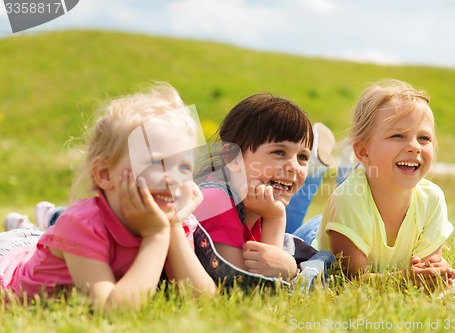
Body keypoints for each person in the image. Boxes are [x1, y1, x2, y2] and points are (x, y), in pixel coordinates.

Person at [1, 83, 216, 308]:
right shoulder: (83, 223)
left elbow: (200, 299)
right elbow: (111, 309)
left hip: (37, 248)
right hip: (9, 267)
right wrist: (156, 235)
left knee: (35, 238)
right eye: (156, 163)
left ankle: (27, 229)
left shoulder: (171, 220)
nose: (173, 179)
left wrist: (171, 228)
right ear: (105, 174)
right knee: (24, 242)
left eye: (183, 167)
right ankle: (23, 231)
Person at [296, 79, 455, 291]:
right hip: (317, 234)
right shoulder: (347, 201)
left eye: (424, 138)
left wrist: (433, 274)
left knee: (359, 185)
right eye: (398, 135)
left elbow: (426, 269)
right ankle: (314, 171)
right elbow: (348, 280)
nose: (414, 147)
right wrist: (404, 280)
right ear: (363, 151)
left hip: (352, 217)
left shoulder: (432, 198)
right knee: (282, 233)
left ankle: (348, 166)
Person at [193, 93, 316, 279]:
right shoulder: (216, 199)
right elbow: (242, 286)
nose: (294, 167)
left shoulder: (256, 207)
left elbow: (266, 272)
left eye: (302, 157)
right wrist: (275, 219)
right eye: (279, 152)